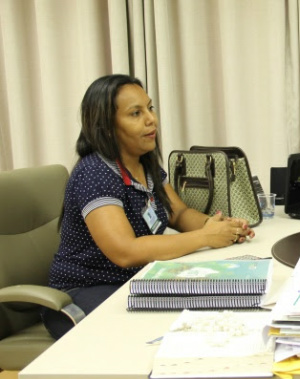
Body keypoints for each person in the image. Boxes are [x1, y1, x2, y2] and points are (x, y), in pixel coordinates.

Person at [43, 74, 255, 339]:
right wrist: (205, 237)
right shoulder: (95, 173)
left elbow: (179, 213)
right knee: (173, 328)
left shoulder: (143, 163)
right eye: (135, 113)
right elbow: (126, 251)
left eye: (150, 108)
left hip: (134, 279)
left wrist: (219, 227)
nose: (150, 119)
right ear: (107, 126)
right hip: (86, 290)